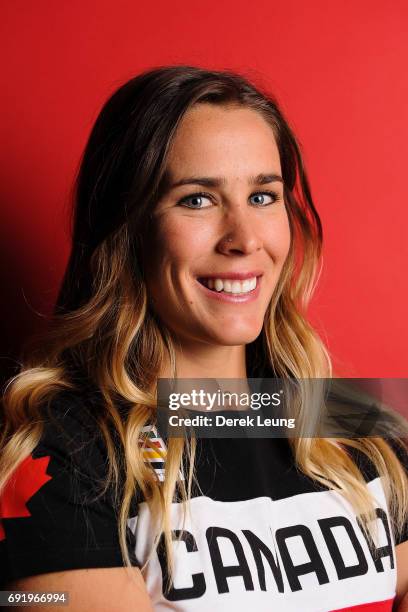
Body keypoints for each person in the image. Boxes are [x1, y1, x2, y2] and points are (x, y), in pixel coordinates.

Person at [0, 65, 407, 612]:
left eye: (264, 196)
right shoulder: (58, 448)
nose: (244, 239)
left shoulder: (351, 419)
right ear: (128, 229)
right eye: (197, 199)